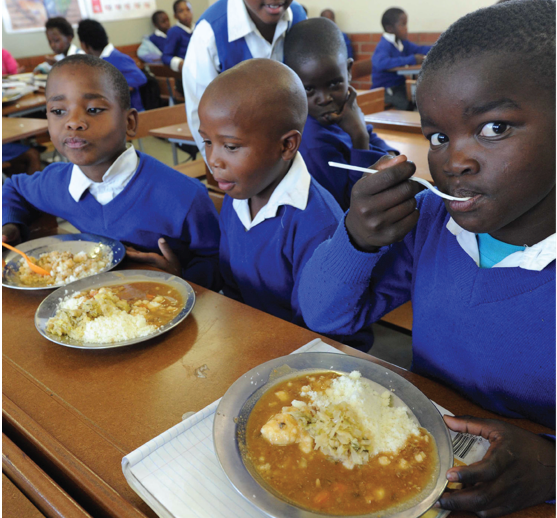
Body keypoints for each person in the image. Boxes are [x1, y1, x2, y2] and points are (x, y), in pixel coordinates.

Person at [299, 0, 555, 513]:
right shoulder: (434, 223)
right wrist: (356, 238)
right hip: (417, 465)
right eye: (437, 136)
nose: (454, 161)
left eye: (494, 128)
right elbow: (325, 315)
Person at [2, 55, 221, 291]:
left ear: (129, 123)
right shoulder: (56, 182)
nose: (73, 122)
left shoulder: (183, 196)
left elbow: (219, 261)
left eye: (94, 109)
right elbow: (14, 188)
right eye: (58, 111)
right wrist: (10, 224)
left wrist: (181, 276)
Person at [199, 59, 369, 347]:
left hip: (304, 355)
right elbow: (232, 286)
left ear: (287, 145)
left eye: (230, 146)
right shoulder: (237, 194)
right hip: (249, 338)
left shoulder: (317, 224)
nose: (213, 160)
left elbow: (317, 332)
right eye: (207, 142)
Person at [285, 18, 397, 212]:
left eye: (334, 83)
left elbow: (371, 136)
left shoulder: (343, 111)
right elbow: (349, 207)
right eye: (309, 89)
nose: (324, 99)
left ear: (349, 71)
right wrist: (359, 138)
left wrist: (391, 155)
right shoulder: (313, 145)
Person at [183, 0, 306, 160]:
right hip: (238, 163)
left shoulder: (298, 18)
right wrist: (223, 169)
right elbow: (199, 116)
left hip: (295, 152)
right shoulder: (209, 33)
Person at [77, 19, 147, 112]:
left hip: (132, 113)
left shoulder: (117, 58)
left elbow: (140, 78)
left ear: (84, 45)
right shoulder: (98, 60)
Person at [371, 8, 431, 110]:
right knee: (409, 106)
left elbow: (419, 49)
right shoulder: (384, 45)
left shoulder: (402, 43)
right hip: (385, 90)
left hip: (399, 87)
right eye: (403, 24)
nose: (406, 28)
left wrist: (440, 46)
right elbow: (381, 63)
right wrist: (411, 59)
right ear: (390, 28)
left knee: (419, 100)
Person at [162, 0, 194, 72]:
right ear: (175, 16)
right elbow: (166, 56)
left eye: (188, 9)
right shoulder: (174, 31)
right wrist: (179, 63)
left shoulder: (198, 27)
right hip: (186, 70)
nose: (186, 13)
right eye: (181, 11)